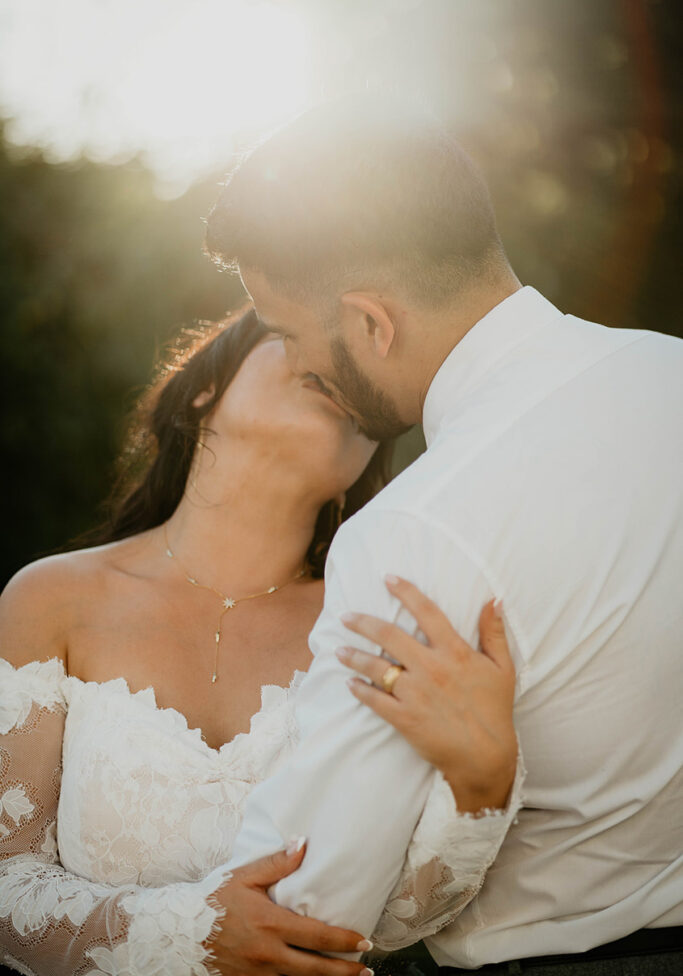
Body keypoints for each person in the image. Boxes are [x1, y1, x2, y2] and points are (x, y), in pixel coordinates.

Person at [203, 94, 683, 974]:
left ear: (372, 322)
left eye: (289, 335)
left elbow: (312, 908)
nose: (298, 366)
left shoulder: (413, 534)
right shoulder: (671, 371)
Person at [0, 307, 522, 976]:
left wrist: (480, 784)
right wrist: (187, 937)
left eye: (362, 369)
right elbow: (8, 881)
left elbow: (395, 921)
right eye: (299, 335)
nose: (341, 364)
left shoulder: (376, 622)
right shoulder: (49, 600)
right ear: (203, 390)